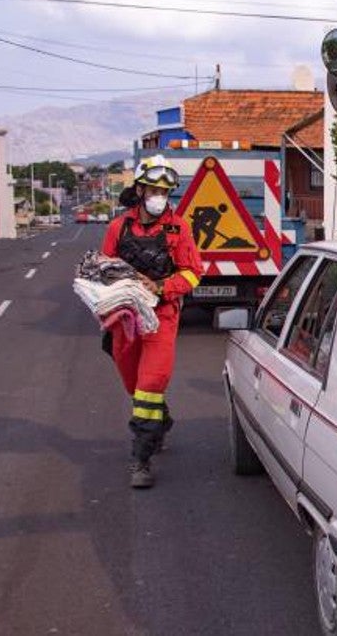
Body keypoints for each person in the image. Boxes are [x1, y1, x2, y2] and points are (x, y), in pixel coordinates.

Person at [101, 154, 203, 489]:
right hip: (125, 320)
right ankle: (160, 420)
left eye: (165, 191)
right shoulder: (118, 228)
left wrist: (161, 286)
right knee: (135, 386)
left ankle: (141, 459)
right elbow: (102, 271)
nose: (159, 196)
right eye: (154, 189)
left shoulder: (179, 228)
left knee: (150, 384)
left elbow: (193, 273)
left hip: (162, 316)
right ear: (141, 189)